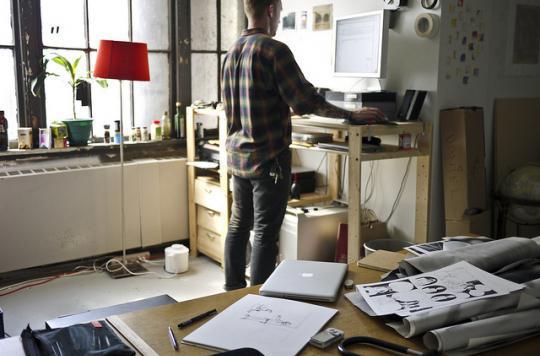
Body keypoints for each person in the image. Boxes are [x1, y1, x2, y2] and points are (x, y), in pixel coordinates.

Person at [221, 0, 387, 291]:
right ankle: (256, 300)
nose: (278, 18)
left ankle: (231, 294)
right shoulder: (274, 50)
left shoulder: (232, 51)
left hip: (239, 158)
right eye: (280, 12)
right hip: (268, 160)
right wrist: (351, 115)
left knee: (238, 227)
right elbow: (306, 101)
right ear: (271, 10)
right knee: (264, 234)